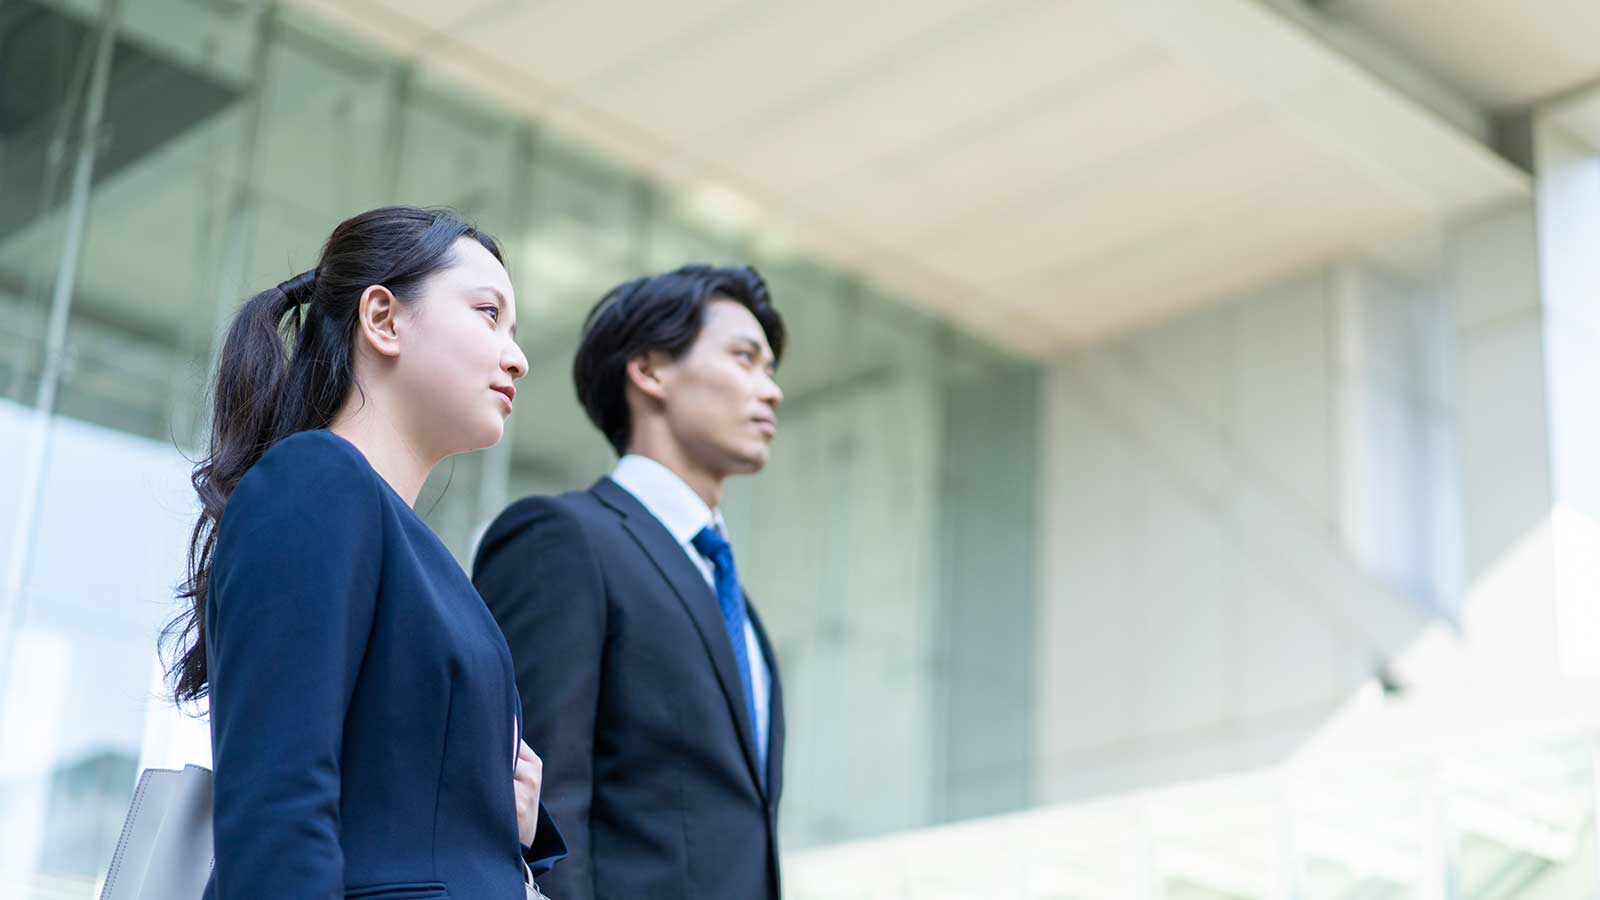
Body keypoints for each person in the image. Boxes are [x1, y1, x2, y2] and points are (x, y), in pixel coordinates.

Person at [161, 206, 566, 900]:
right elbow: (278, 813)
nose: (517, 356)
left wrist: (503, 817)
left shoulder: (412, 550)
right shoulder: (316, 479)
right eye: (487, 313)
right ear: (382, 319)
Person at [474, 264, 787, 900]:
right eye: (745, 358)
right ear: (649, 372)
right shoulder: (561, 539)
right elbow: (538, 800)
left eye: (771, 370)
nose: (772, 390)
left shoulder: (737, 607)